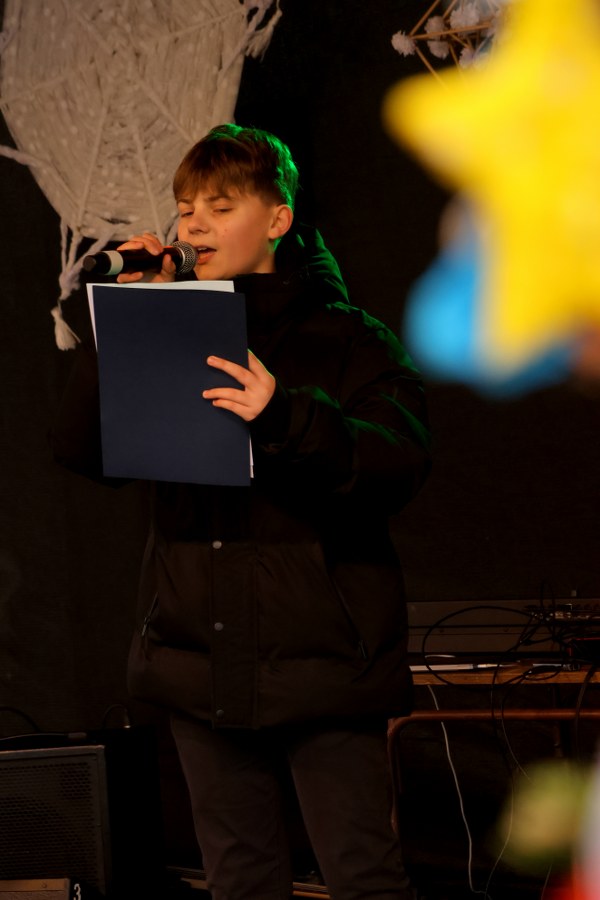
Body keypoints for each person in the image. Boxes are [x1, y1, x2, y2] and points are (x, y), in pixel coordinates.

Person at [51, 124, 431, 900]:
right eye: (186, 207)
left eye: (219, 207)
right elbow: (82, 454)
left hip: (325, 665)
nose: (193, 224)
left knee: (362, 876)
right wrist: (118, 329)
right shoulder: (168, 326)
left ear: (278, 219)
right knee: (239, 880)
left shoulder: (350, 338)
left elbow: (396, 463)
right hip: (201, 663)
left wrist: (284, 413)